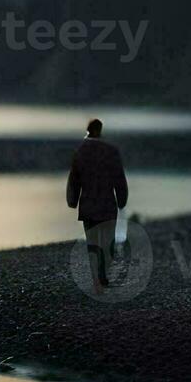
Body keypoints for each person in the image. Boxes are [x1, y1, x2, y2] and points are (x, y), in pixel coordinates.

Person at [66, 118, 128, 293]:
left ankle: (97, 281)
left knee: (92, 243)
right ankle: (103, 275)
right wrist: (122, 199)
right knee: (108, 242)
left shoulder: (80, 152)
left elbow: (74, 180)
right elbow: (119, 179)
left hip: (88, 206)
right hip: (107, 205)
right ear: (100, 131)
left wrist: (72, 200)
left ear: (87, 131)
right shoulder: (111, 151)